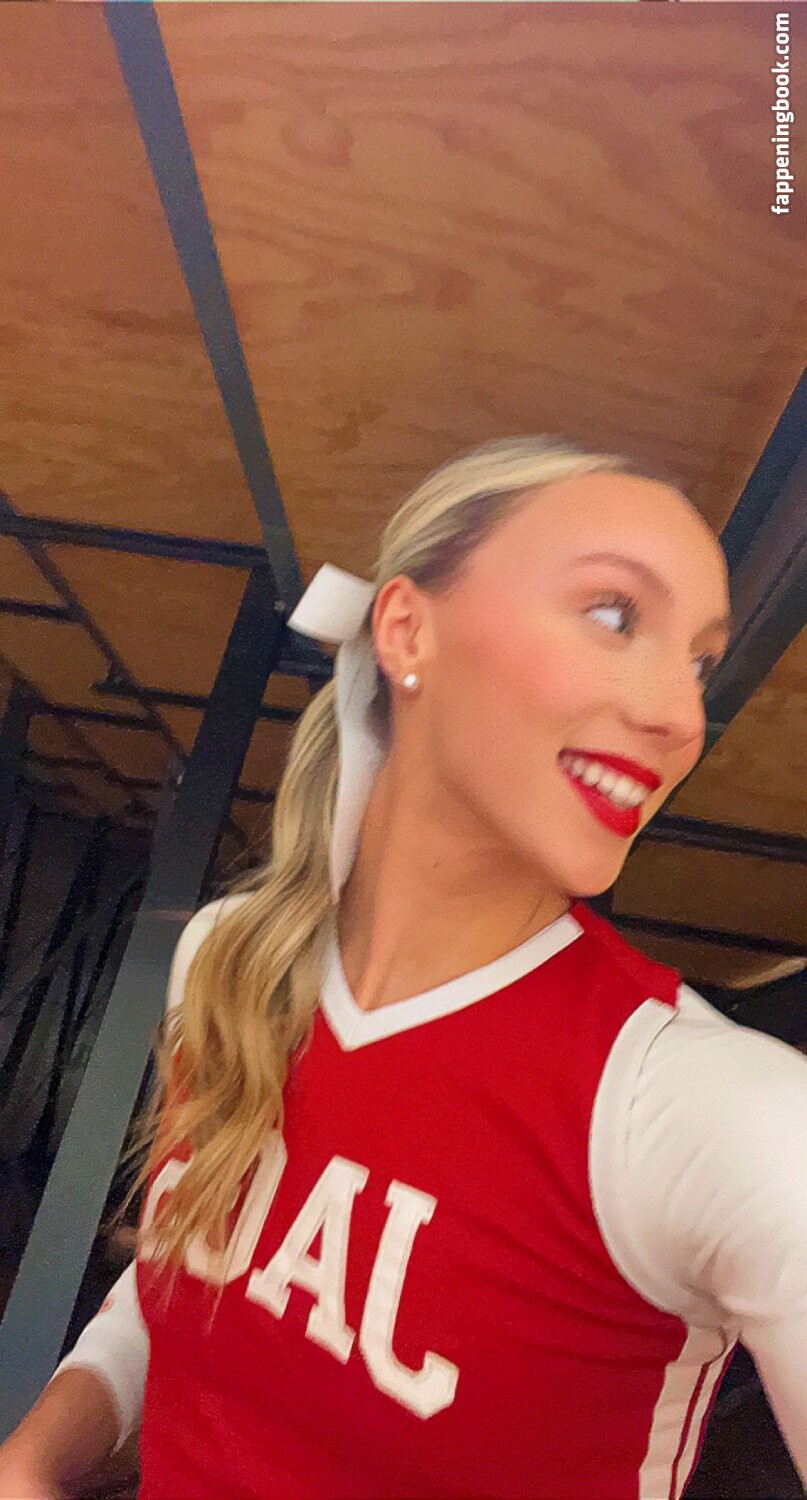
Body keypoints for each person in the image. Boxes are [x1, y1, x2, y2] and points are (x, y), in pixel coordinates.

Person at [1, 437, 806, 1500]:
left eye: (699, 663)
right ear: (406, 629)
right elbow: (177, 1296)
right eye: (615, 616)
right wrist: (32, 1461)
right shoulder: (230, 963)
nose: (682, 718)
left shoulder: (707, 1113)